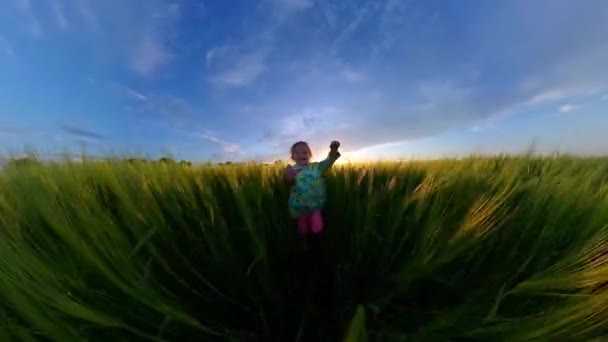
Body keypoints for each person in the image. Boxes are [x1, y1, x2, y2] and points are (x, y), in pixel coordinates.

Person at [284, 140, 341, 236]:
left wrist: (333, 151)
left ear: (310, 155)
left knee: (317, 225)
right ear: (292, 157)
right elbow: (288, 183)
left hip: (315, 203)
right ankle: (304, 239)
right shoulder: (291, 170)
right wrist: (288, 177)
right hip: (299, 205)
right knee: (302, 225)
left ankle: (316, 239)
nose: (301, 155)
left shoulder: (316, 167)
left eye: (304, 152)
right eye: (297, 153)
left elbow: (328, 162)